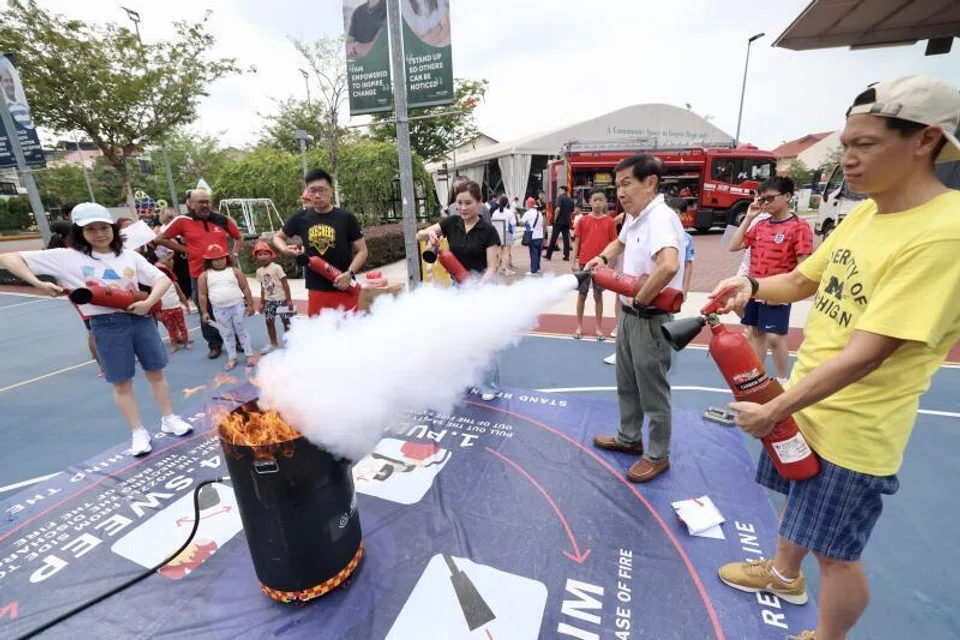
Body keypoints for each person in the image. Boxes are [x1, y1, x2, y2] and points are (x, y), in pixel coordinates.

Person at [711, 75, 960, 640]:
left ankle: (827, 636)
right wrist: (750, 284)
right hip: (811, 404)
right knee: (800, 507)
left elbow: (867, 355)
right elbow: (802, 280)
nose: (846, 159)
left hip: (856, 428)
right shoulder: (866, 213)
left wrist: (775, 407)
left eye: (865, 145)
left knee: (837, 554)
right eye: (845, 144)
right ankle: (781, 575)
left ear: (924, 140)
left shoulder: (945, 234)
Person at [0, 203, 193, 455]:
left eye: (104, 227)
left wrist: (147, 302)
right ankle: (138, 432)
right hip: (107, 325)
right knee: (121, 381)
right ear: (80, 232)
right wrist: (37, 283)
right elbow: (8, 258)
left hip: (140, 318)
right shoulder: (67, 257)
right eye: (90, 229)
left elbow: (162, 278)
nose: (99, 233)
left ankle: (169, 419)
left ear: (112, 228)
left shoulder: (128, 255)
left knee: (156, 372)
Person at [583, 154, 685, 483]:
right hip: (630, 314)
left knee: (652, 390)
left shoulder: (660, 218)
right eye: (618, 185)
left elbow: (668, 265)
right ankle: (629, 438)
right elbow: (620, 241)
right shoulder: (636, 216)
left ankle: (657, 455)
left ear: (650, 183)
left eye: (627, 183)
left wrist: (641, 298)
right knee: (626, 383)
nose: (621, 192)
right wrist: (601, 257)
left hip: (649, 317)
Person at [417, 180, 502, 399]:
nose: (463, 208)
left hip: (481, 287)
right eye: (459, 203)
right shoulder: (451, 222)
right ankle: (466, 380)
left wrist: (480, 286)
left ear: (480, 203)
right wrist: (430, 235)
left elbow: (493, 266)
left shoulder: (488, 230)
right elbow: (421, 234)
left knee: (484, 340)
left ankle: (489, 386)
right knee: (461, 337)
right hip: (457, 286)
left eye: (468, 203)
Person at [728, 177, 813, 381]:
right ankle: (759, 377)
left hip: (778, 290)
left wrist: (789, 292)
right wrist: (748, 218)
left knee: (775, 338)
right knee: (756, 333)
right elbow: (733, 245)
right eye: (762, 199)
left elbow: (804, 264)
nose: (765, 203)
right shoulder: (760, 225)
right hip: (755, 289)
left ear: (787, 196)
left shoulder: (799, 227)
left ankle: (783, 379)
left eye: (770, 199)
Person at [155, 188, 243, 359]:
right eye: (200, 202)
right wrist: (185, 249)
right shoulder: (182, 220)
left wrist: (235, 254)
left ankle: (238, 340)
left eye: (207, 201)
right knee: (206, 311)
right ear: (191, 203)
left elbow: (239, 237)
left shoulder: (221, 220)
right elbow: (159, 239)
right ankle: (215, 344)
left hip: (224, 273)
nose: (204, 205)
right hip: (198, 274)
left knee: (230, 306)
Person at [274, 169, 368, 317]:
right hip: (316, 289)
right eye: (312, 191)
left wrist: (349, 274)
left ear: (330, 191)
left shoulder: (346, 218)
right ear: (307, 192)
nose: (317, 195)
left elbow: (362, 251)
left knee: (349, 333)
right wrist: (285, 249)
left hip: (344, 286)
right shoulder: (301, 218)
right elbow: (278, 237)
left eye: (322, 190)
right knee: (319, 334)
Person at [197, 244, 255, 371]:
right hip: (219, 309)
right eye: (215, 259)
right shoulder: (204, 276)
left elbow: (245, 288)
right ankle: (232, 357)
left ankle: (249, 354)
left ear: (226, 258)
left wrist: (250, 304)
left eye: (221, 258)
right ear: (209, 261)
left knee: (241, 331)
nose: (219, 261)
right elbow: (202, 295)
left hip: (237, 307)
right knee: (227, 333)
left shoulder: (235, 271)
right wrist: (204, 312)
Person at [572, 190, 618, 340]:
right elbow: (577, 242)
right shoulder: (582, 221)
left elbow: (614, 243)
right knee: (581, 295)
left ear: (605, 202)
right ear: (590, 202)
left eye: (601, 200)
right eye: (595, 200)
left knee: (598, 295)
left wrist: (610, 263)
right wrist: (574, 261)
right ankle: (579, 326)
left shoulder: (610, 222)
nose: (598, 202)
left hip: (601, 265)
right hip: (584, 263)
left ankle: (598, 328)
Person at [254, 241, 294, 353]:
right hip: (269, 301)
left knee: (286, 322)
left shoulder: (277, 268)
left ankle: (289, 343)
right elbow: (262, 288)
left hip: (281, 300)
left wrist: (289, 300)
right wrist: (262, 303)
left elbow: (285, 284)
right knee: (269, 321)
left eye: (265, 254)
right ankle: (273, 342)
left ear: (271, 255)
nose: (263, 257)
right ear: (256, 257)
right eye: (260, 254)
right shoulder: (259, 271)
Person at [153, 246, 192, 352]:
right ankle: (174, 344)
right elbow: (155, 299)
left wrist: (187, 305)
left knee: (182, 326)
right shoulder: (155, 285)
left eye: (165, 273)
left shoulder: (173, 283)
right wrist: (157, 311)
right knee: (171, 329)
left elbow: (181, 295)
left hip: (176, 307)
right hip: (165, 310)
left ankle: (186, 342)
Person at [490, 195, 517, 275]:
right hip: (507, 232)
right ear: (507, 203)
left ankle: (497, 269)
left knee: (498, 253)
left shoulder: (495, 212)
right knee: (506, 253)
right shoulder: (509, 212)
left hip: (498, 233)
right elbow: (513, 223)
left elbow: (493, 223)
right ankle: (507, 270)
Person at [545, 185, 573, 261]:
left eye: (559, 190)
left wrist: (555, 219)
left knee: (553, 238)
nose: (558, 192)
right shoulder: (570, 200)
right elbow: (571, 211)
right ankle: (566, 256)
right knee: (566, 239)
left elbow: (557, 209)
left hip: (559, 222)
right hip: (566, 222)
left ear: (562, 190)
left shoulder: (560, 198)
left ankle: (548, 255)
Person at [520, 197, 545, 274]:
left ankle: (533, 270)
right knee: (538, 252)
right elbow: (542, 224)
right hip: (540, 235)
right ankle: (537, 268)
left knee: (533, 252)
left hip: (532, 235)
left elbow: (521, 222)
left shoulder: (528, 213)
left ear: (529, 204)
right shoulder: (539, 213)